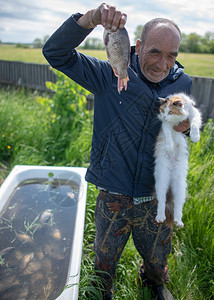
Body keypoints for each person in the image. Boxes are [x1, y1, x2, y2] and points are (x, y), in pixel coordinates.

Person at [43, 3, 191, 299]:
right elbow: (56, 53)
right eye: (154, 52)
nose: (163, 64)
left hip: (157, 194)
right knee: (104, 259)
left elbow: (182, 126)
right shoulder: (108, 75)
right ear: (137, 47)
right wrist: (89, 20)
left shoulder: (182, 82)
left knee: (157, 257)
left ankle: (153, 283)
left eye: (171, 55)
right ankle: (102, 289)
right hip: (114, 194)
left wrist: (186, 126)